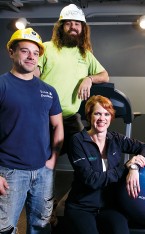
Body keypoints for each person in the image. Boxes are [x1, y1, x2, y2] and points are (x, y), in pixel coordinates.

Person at [0, 28, 64, 233]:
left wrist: (53, 159)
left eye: (35, 53)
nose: (31, 57)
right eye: (25, 51)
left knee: (41, 225)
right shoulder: (2, 85)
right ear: (11, 52)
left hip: (43, 172)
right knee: (5, 228)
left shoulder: (49, 90)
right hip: (9, 172)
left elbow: (58, 126)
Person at [64, 95, 145, 234]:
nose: (102, 118)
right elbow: (92, 180)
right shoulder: (77, 141)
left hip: (109, 206)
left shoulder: (115, 139)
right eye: (97, 113)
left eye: (106, 114)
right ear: (89, 116)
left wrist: (134, 166)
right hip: (81, 207)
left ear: (111, 117)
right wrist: (125, 167)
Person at [35, 3, 109, 155]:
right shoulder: (46, 48)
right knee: (43, 161)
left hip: (70, 119)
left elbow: (105, 75)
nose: (73, 27)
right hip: (43, 117)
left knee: (88, 156)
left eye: (76, 24)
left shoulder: (85, 54)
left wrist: (89, 78)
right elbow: (31, 76)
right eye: (68, 23)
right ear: (61, 27)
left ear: (82, 29)